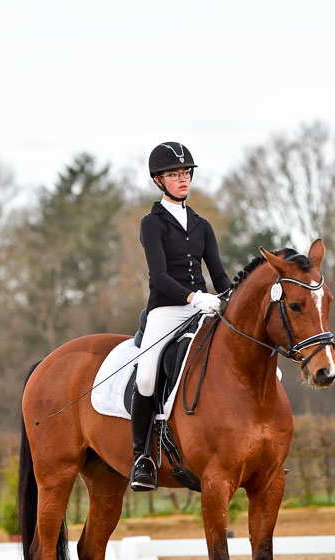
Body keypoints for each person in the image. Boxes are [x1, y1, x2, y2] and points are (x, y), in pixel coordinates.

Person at [130, 142, 232, 491]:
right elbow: (158, 276)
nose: (182, 179)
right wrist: (193, 296)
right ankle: (142, 458)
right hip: (167, 310)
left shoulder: (202, 225)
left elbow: (218, 274)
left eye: (186, 173)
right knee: (146, 377)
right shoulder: (151, 224)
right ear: (159, 181)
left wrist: (229, 299)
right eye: (174, 174)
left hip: (204, 305)